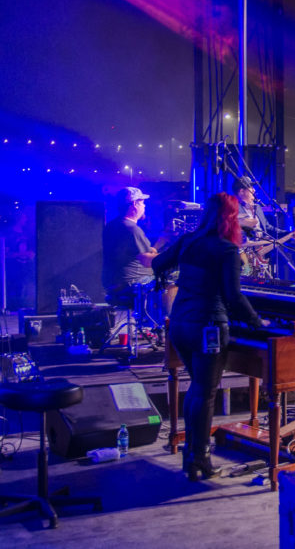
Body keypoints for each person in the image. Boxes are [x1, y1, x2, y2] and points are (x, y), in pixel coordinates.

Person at [152, 193, 262, 481]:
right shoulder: (227, 250)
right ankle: (199, 459)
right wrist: (257, 323)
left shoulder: (189, 240)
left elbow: (157, 264)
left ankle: (192, 455)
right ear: (231, 217)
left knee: (197, 389)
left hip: (180, 324)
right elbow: (233, 297)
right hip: (208, 327)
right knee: (205, 391)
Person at [102, 186, 167, 304]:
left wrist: (160, 243)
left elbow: (137, 253)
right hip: (133, 282)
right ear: (134, 204)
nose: (144, 206)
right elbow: (147, 260)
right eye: (142, 202)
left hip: (114, 282)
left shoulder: (113, 225)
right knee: (175, 278)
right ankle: (165, 320)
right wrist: (176, 255)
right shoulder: (132, 229)